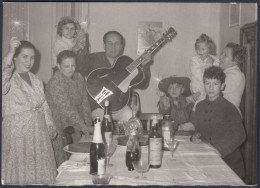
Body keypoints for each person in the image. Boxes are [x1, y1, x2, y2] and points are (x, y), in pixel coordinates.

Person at [2, 37, 57, 185]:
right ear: (14, 58)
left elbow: (44, 104)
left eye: (32, 58)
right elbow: (4, 75)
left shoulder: (37, 80)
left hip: (38, 133)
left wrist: (50, 125)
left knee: (39, 174)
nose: (29, 62)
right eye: (24, 57)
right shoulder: (8, 78)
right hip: (17, 133)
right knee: (20, 174)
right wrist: (11, 50)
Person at [76, 31, 152, 122]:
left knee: (130, 116)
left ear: (121, 46)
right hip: (97, 107)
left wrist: (145, 66)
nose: (113, 47)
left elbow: (143, 85)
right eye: (109, 43)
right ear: (104, 45)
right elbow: (77, 68)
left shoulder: (126, 62)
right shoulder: (92, 59)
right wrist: (77, 48)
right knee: (105, 121)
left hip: (119, 107)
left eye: (117, 44)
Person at [190, 66, 246, 179]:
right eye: (207, 83)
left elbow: (240, 135)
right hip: (207, 161)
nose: (211, 88)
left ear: (222, 86)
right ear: (203, 85)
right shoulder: (199, 106)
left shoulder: (229, 108)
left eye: (215, 84)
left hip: (229, 164)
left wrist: (218, 150)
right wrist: (195, 137)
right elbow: (198, 130)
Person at [46, 50, 93, 167]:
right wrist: (84, 126)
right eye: (66, 66)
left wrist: (87, 123)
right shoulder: (55, 82)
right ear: (58, 66)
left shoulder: (79, 77)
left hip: (77, 123)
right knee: (62, 159)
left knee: (79, 158)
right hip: (59, 124)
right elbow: (66, 109)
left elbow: (85, 102)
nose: (71, 69)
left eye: (73, 65)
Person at [190, 33, 219, 110]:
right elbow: (201, 77)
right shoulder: (194, 60)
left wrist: (212, 63)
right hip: (197, 88)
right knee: (198, 106)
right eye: (198, 49)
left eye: (203, 49)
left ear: (209, 49)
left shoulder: (215, 60)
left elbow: (215, 75)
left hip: (209, 88)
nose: (200, 51)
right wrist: (209, 64)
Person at [219, 42, 246, 114]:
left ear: (235, 60)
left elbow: (216, 87)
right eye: (221, 53)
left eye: (225, 55)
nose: (220, 57)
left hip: (229, 117)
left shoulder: (236, 74)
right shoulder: (226, 72)